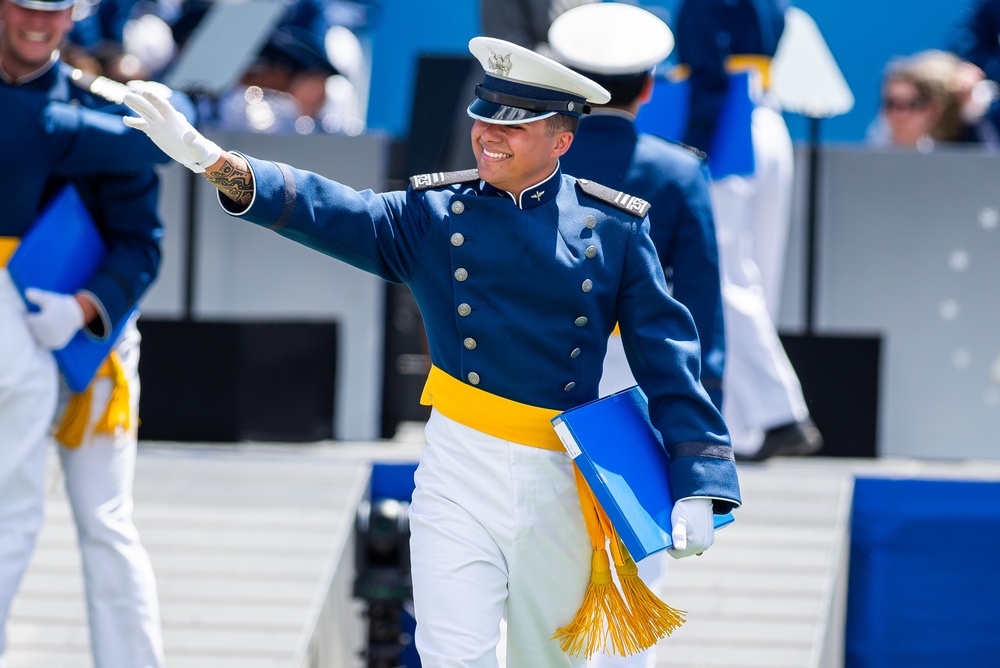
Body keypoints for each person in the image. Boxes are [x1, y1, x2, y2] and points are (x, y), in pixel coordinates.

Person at [122, 35, 742, 667]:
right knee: (451, 655)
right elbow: (332, 209)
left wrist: (699, 477)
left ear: (561, 139)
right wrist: (215, 162)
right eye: (484, 118)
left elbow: (668, 355)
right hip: (457, 467)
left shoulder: (614, 228)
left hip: (563, 475)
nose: (488, 136)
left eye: (516, 125)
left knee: (555, 660)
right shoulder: (436, 214)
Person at [0, 0, 194, 666]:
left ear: (73, 16)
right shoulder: (98, 116)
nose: (37, 21)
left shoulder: (103, 105)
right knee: (5, 520)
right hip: (5, 345)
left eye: (53, 11)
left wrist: (86, 307)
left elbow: (142, 245)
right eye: (24, 5)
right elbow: (36, 129)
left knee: (106, 526)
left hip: (93, 349)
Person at [548, 4, 725, 667]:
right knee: (634, 556)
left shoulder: (530, 161)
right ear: (649, 87)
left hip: (534, 367)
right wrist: (704, 431)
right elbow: (699, 308)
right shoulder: (679, 172)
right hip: (638, 378)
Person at [674, 0, 822, 462]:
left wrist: (690, 153)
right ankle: (745, 428)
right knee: (757, 276)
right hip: (765, 120)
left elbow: (708, 75)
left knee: (725, 277)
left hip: (727, 128)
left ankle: (781, 413)